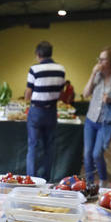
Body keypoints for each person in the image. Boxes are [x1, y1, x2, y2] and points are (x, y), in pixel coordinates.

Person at [81, 47, 111, 189]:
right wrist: (92, 73)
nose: (100, 62)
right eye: (99, 59)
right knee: (87, 153)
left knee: (97, 153)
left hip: (105, 122)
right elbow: (85, 94)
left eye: (103, 59)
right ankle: (89, 183)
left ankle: (103, 180)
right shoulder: (98, 75)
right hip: (91, 120)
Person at [24, 41, 66, 180]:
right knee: (49, 147)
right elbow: (61, 92)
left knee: (33, 146)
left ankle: (31, 178)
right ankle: (46, 179)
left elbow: (28, 94)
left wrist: (27, 100)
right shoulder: (61, 69)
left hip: (36, 111)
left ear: (38, 54)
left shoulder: (34, 69)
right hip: (52, 112)